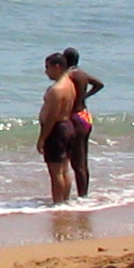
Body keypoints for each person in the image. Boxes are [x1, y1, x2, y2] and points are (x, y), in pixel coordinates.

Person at [62, 47, 104, 197]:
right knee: (82, 161)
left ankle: (81, 197)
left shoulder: (68, 75)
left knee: (74, 162)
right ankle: (84, 194)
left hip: (74, 117)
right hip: (84, 115)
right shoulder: (82, 74)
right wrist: (84, 96)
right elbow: (99, 84)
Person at [38, 52, 78, 203]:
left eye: (47, 68)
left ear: (57, 67)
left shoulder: (57, 89)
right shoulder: (70, 84)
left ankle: (58, 203)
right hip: (68, 125)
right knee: (64, 170)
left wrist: (42, 138)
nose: (46, 71)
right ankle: (65, 201)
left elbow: (52, 117)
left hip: (57, 129)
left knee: (56, 173)